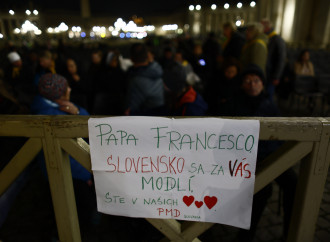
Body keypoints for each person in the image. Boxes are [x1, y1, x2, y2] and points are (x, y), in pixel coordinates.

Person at [232, 65, 297, 241]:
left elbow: (281, 134)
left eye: (256, 81)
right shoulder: (235, 105)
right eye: (247, 81)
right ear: (242, 85)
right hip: (248, 160)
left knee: (294, 183)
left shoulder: (269, 103)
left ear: (262, 83)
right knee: (261, 190)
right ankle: (245, 236)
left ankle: (291, 232)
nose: (252, 84)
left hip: (272, 156)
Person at [30, 73, 95, 229]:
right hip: (69, 171)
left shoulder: (44, 105)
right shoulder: (55, 116)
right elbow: (87, 126)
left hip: (57, 169)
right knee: (77, 206)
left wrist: (77, 112)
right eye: (66, 88)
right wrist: (86, 174)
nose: (70, 89)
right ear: (60, 94)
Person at [125, 43, 164, 115]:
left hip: (145, 117)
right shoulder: (157, 70)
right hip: (160, 116)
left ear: (131, 58)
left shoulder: (135, 80)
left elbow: (129, 110)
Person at [261, 19, 287, 100]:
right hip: (265, 73)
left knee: (268, 96)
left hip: (271, 74)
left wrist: (276, 76)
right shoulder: (266, 38)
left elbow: (281, 60)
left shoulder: (277, 39)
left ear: (267, 27)